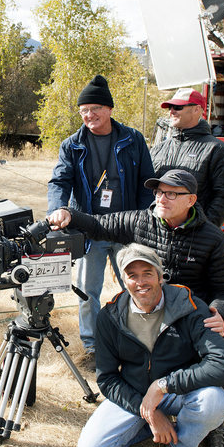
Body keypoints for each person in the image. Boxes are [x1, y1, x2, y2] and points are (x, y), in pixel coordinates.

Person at [48, 169, 224, 447]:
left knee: (223, 358)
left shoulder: (212, 238)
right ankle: (149, 418)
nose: (163, 198)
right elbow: (100, 225)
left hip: (191, 314)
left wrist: (220, 312)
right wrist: (68, 213)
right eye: (159, 192)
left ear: (191, 200)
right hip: (146, 308)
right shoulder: (141, 220)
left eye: (172, 193)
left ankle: (207, 433)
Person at [76, 243, 224, 447]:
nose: (140, 282)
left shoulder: (190, 307)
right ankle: (153, 427)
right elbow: (107, 378)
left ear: (160, 276)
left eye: (147, 273)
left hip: (181, 391)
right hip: (136, 393)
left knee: (214, 402)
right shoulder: (109, 316)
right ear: (122, 280)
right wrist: (148, 410)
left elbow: (221, 365)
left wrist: (163, 385)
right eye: (132, 275)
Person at [47, 74, 154, 366]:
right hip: (88, 228)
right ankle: (93, 349)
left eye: (94, 109)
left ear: (109, 109)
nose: (89, 115)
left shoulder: (133, 139)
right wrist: (57, 209)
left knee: (136, 287)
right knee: (86, 292)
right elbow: (59, 181)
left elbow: (147, 183)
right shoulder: (72, 144)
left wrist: (143, 219)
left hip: (126, 228)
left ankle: (138, 343)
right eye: (83, 111)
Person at [150, 88, 224, 227]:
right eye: (170, 107)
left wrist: (201, 229)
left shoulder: (217, 149)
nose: (172, 111)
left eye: (178, 107)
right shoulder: (158, 149)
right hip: (157, 235)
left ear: (197, 109)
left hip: (194, 239)